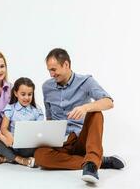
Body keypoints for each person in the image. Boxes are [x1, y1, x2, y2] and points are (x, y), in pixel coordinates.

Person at [34, 48, 126, 184]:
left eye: (54, 69)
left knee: (96, 113)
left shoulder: (86, 82)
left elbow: (108, 102)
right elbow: (49, 119)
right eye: (49, 70)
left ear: (66, 65)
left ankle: (92, 165)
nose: (51, 74)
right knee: (40, 157)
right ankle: (97, 160)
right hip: (61, 141)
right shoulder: (46, 87)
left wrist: (85, 108)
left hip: (81, 138)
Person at [0, 77, 44, 167]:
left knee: (32, 148)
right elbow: (3, 128)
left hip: (27, 147)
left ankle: (7, 158)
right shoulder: (10, 108)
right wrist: (9, 136)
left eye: (30, 94)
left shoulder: (37, 110)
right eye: (23, 94)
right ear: (16, 93)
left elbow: (40, 130)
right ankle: (20, 160)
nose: (26, 97)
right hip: (11, 144)